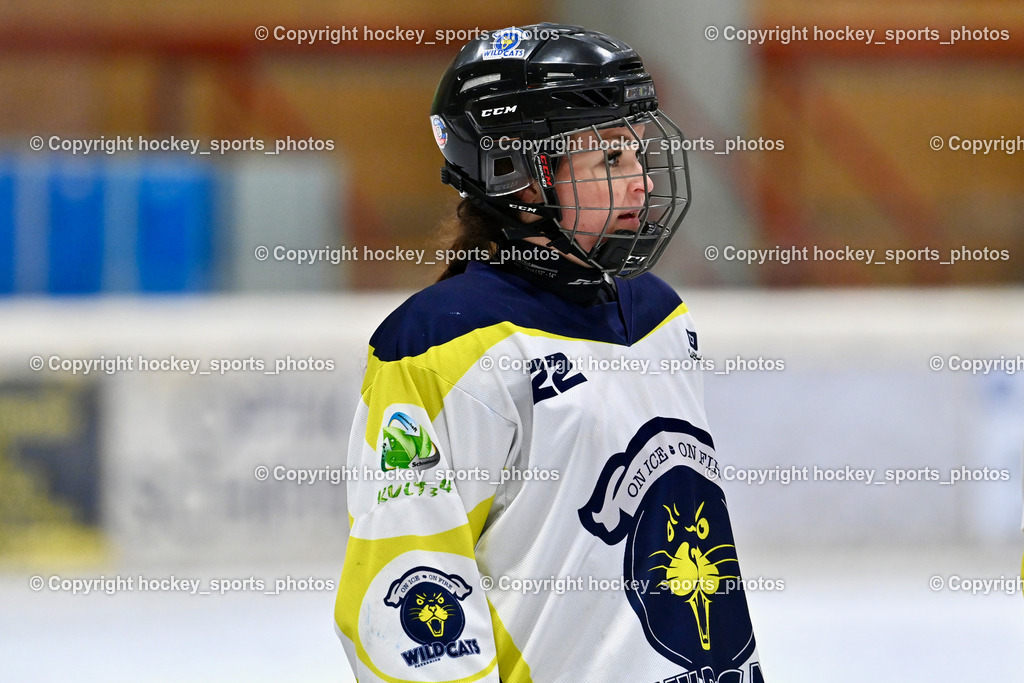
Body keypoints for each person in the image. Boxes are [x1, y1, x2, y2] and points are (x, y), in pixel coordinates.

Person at [334, 24, 764, 683]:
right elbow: (410, 591)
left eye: (637, 155)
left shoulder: (660, 313)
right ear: (521, 177)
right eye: (610, 161)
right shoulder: (442, 344)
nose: (642, 184)